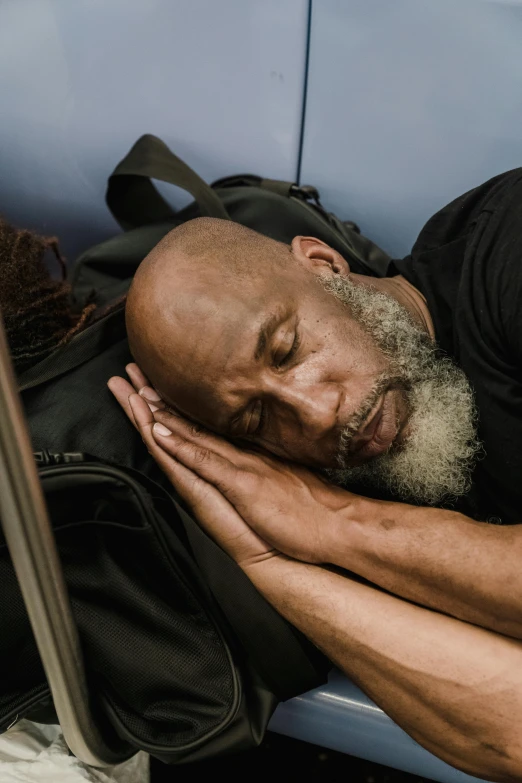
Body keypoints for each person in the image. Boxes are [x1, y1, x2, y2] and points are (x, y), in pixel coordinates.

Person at [108, 169, 522, 782]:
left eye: (286, 349)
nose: (316, 411)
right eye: (256, 417)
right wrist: (266, 564)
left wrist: (334, 524)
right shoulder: (320, 476)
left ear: (323, 263)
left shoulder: (507, 251)